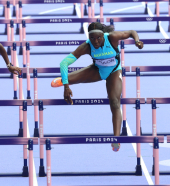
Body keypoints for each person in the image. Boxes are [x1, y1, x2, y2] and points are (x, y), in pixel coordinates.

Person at [51, 22, 144, 152]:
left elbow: (131, 31)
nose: (95, 41)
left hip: (114, 71)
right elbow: (64, 62)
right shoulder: (87, 46)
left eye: (98, 38)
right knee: (66, 78)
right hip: (97, 71)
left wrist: (137, 41)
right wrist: (66, 87)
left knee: (115, 102)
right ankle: (66, 80)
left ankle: (116, 139)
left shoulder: (112, 37)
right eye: (92, 38)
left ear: (103, 35)